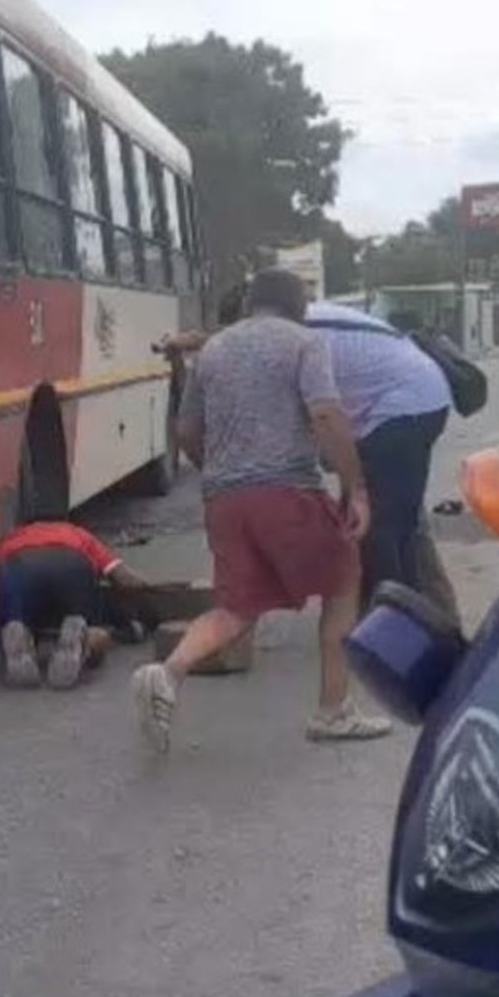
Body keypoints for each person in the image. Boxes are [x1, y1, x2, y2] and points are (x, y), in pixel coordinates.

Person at [132, 268, 390, 750]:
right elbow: (325, 413)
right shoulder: (304, 343)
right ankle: (333, 711)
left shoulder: (213, 350)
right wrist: (354, 488)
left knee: (236, 608)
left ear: (251, 303)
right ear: (298, 307)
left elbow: (185, 431)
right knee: (343, 579)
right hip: (287, 491)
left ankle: (167, 673)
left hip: (224, 501)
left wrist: (222, 472)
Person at [303, 300, 454, 608]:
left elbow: (321, 414)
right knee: (400, 526)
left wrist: (345, 470)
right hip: (418, 398)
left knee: (377, 526)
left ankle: (392, 615)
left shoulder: (296, 333)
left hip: (403, 408)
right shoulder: (306, 318)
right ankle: (414, 609)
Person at [0, 519, 147, 690]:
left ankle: (19, 632)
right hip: (71, 565)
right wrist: (143, 591)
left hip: (19, 566)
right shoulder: (78, 533)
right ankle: (83, 640)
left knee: (15, 616)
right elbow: (123, 577)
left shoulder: (10, 539)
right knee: (92, 628)